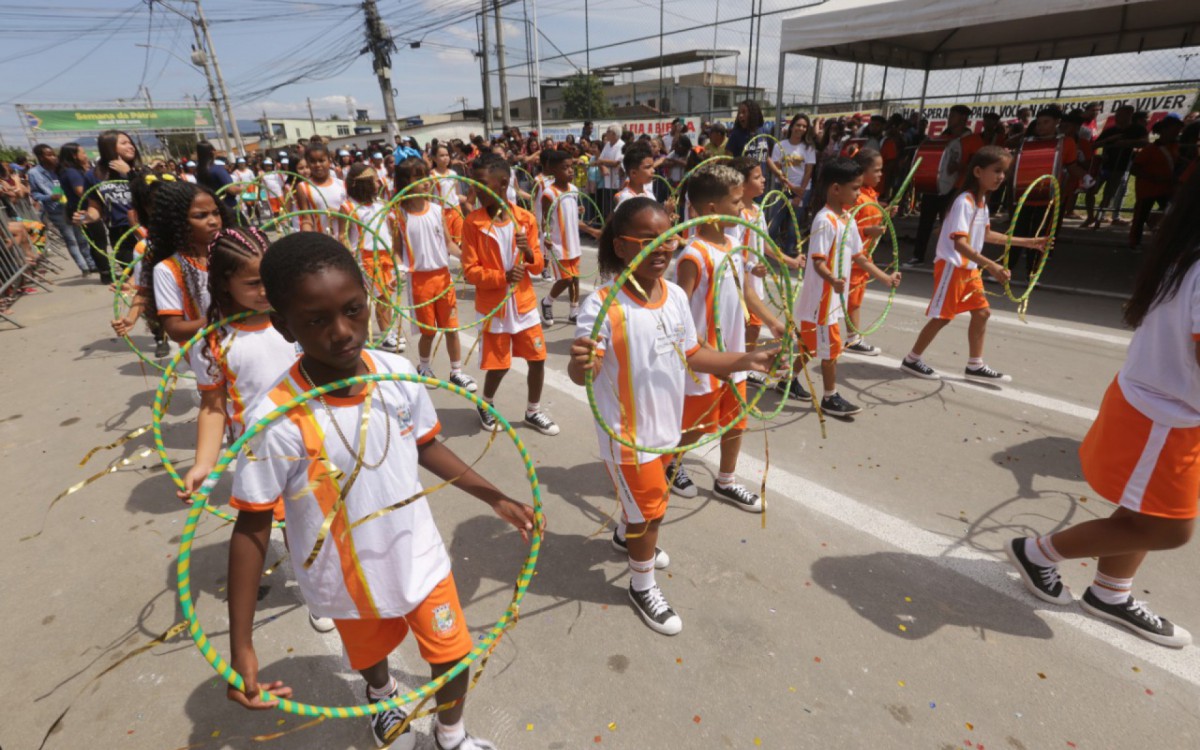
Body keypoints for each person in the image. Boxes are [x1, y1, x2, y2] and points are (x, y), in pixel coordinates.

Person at [226, 231, 534, 750]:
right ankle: (382, 692)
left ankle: (451, 735)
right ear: (283, 324)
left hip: (418, 552)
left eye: (353, 310)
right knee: (370, 656)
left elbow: (425, 445)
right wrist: (241, 645)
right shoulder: (276, 419)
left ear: (368, 300)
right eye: (316, 321)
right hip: (347, 575)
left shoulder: (397, 373)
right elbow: (253, 523)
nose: (342, 332)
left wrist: (494, 496)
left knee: (453, 652)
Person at [1006, 165, 1200, 649]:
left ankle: (1111, 592)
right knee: (1171, 530)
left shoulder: (1185, 252)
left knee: (1144, 513)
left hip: (1164, 410)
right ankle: (1038, 553)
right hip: (1163, 416)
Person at [569, 197, 776, 635]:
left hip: (667, 429)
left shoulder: (676, 296)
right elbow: (583, 370)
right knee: (652, 514)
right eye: (647, 240)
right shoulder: (603, 306)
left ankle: (626, 536)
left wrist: (745, 360)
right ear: (620, 246)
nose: (662, 248)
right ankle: (641, 585)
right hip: (628, 436)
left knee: (645, 507)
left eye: (667, 238)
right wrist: (582, 362)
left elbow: (694, 353)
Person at [668, 165, 785, 510]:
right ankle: (672, 462)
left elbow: (746, 291)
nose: (742, 207)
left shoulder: (734, 243)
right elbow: (679, 314)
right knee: (697, 423)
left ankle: (726, 480)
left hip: (734, 355)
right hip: (705, 359)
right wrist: (703, 351)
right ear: (712, 209)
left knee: (736, 419)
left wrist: (773, 322)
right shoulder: (693, 255)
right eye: (735, 202)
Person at [900, 146, 1044, 383]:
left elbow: (987, 235)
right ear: (978, 171)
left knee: (982, 313)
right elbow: (960, 244)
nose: (1001, 177)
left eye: (1004, 172)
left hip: (969, 269)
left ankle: (975, 365)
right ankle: (912, 359)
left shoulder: (981, 203)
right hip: (952, 267)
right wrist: (991, 266)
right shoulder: (964, 202)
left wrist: (1029, 242)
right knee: (943, 317)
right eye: (996, 170)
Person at [786, 157, 900, 417]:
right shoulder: (824, 220)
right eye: (855, 188)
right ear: (836, 189)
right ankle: (830, 397)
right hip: (821, 300)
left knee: (810, 346)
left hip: (832, 298)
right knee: (831, 350)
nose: (859, 193)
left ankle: (786, 380)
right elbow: (817, 261)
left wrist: (885, 278)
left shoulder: (847, 218)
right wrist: (832, 279)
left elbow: (860, 257)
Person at [460, 155, 557, 435]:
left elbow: (537, 265)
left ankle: (533, 411)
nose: (476, 190)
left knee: (537, 359)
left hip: (523, 305)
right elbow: (470, 271)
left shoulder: (525, 220)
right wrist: (502, 277)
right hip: (494, 307)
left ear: (503, 184)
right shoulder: (473, 223)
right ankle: (486, 403)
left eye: (481, 184)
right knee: (499, 365)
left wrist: (528, 252)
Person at [392, 158, 477, 390]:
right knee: (428, 331)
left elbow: (449, 243)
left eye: (426, 176)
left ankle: (456, 372)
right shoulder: (399, 215)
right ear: (406, 182)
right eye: (418, 177)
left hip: (443, 277)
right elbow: (397, 250)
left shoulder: (438, 210)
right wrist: (398, 270)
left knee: (451, 328)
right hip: (419, 280)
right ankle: (424, 367)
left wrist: (466, 258)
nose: (425, 181)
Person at [141, 181, 231, 348]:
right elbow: (175, 329)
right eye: (200, 216)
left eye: (216, 213)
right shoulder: (168, 269)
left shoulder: (234, 254)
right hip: (209, 353)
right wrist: (225, 317)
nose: (213, 221)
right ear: (178, 222)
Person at [340, 162, 407, 354]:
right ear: (363, 184)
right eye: (375, 181)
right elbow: (343, 235)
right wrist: (348, 254)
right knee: (382, 297)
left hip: (385, 255)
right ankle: (386, 335)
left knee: (387, 297)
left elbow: (393, 231)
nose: (379, 184)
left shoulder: (381, 205)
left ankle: (389, 332)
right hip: (365, 257)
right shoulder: (348, 207)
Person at [1010, 107, 1083, 279]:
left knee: (1040, 235)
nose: (1041, 126)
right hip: (1024, 194)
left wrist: (1085, 178)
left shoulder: (1065, 143)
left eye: (1046, 122)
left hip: (1048, 198)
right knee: (1016, 233)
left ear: (1057, 122)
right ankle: (1007, 268)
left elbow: (1072, 167)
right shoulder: (1027, 141)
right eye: (1039, 123)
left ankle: (1032, 273)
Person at [906, 105, 984, 267]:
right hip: (935, 185)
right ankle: (917, 256)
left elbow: (978, 167)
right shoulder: (943, 137)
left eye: (953, 116)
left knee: (949, 224)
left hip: (957, 188)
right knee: (925, 221)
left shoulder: (974, 141)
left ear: (963, 119)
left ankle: (949, 258)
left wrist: (960, 167)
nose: (949, 119)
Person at [109, 173, 175, 359]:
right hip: (186, 327)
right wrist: (130, 319)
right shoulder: (144, 248)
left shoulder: (206, 237)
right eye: (156, 207)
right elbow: (144, 289)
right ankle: (160, 337)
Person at [844, 148, 897, 356]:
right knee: (850, 300)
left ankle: (852, 338)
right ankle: (852, 339)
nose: (880, 174)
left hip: (864, 256)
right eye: (876, 170)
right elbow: (843, 228)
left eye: (881, 170)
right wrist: (867, 231)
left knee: (854, 299)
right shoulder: (855, 197)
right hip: (851, 258)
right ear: (862, 171)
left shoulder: (870, 195)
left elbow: (872, 217)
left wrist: (886, 212)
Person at [539, 149, 601, 326]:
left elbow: (573, 219)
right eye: (565, 168)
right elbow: (544, 220)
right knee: (566, 279)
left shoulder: (573, 190)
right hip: (558, 244)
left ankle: (574, 312)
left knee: (574, 278)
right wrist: (546, 237)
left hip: (573, 243)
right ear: (554, 171)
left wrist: (592, 230)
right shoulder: (549, 194)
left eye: (571, 167)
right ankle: (547, 301)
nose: (570, 171)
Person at [77, 130, 144, 284]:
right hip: (120, 234)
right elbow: (95, 208)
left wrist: (129, 173)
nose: (131, 146)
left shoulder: (142, 171)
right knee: (136, 279)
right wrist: (87, 217)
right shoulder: (93, 175)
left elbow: (152, 196)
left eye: (130, 142)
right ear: (109, 147)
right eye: (124, 143)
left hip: (147, 229)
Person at [29, 143, 91, 275]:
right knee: (71, 239)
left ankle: (91, 263)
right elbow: (35, 194)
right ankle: (84, 267)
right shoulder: (34, 173)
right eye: (49, 155)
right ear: (41, 157)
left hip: (72, 206)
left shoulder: (61, 169)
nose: (53, 157)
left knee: (82, 237)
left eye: (54, 154)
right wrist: (49, 197)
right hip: (56, 209)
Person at [767, 113, 817, 258]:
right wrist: (790, 186)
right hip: (783, 188)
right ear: (792, 126)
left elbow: (808, 172)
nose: (801, 128)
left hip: (802, 189)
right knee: (775, 221)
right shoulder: (780, 146)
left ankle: (789, 251)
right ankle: (768, 249)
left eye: (804, 126)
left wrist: (800, 193)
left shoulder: (808, 148)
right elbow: (778, 170)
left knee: (793, 224)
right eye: (798, 125)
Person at [1129, 116, 1183, 249]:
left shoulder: (1175, 147)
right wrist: (1152, 177)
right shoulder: (1150, 150)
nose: (1176, 134)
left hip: (1166, 188)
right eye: (1174, 131)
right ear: (1164, 130)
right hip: (1147, 189)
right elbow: (1134, 169)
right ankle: (1134, 243)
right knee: (1140, 217)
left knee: (1172, 214)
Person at [56, 142, 99, 277]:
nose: (86, 155)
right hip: (81, 211)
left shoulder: (69, 171)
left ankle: (93, 264)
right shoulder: (71, 172)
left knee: (88, 239)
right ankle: (93, 266)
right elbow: (81, 191)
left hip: (77, 209)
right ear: (74, 156)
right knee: (90, 238)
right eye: (83, 153)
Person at [294, 143, 347, 235]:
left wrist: (339, 214)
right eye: (312, 161)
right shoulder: (304, 187)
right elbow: (307, 219)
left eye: (321, 160)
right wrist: (306, 237)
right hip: (321, 239)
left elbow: (353, 213)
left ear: (329, 161)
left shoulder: (342, 185)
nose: (317, 165)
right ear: (308, 163)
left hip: (345, 238)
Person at [194, 141, 239, 210]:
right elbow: (232, 190)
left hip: (213, 208)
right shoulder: (217, 169)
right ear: (212, 152)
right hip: (228, 207)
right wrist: (243, 187)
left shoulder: (198, 171)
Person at [596, 126, 625, 218]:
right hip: (607, 182)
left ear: (614, 134)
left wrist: (602, 162)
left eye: (608, 132)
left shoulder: (621, 145)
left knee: (616, 208)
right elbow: (599, 159)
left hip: (618, 182)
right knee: (607, 209)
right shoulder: (608, 144)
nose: (606, 133)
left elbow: (616, 162)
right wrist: (603, 166)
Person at [430, 143, 462, 215]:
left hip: (456, 209)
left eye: (447, 155)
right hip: (440, 211)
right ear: (434, 158)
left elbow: (457, 194)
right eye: (442, 155)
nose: (445, 158)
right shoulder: (431, 176)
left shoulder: (453, 173)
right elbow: (429, 198)